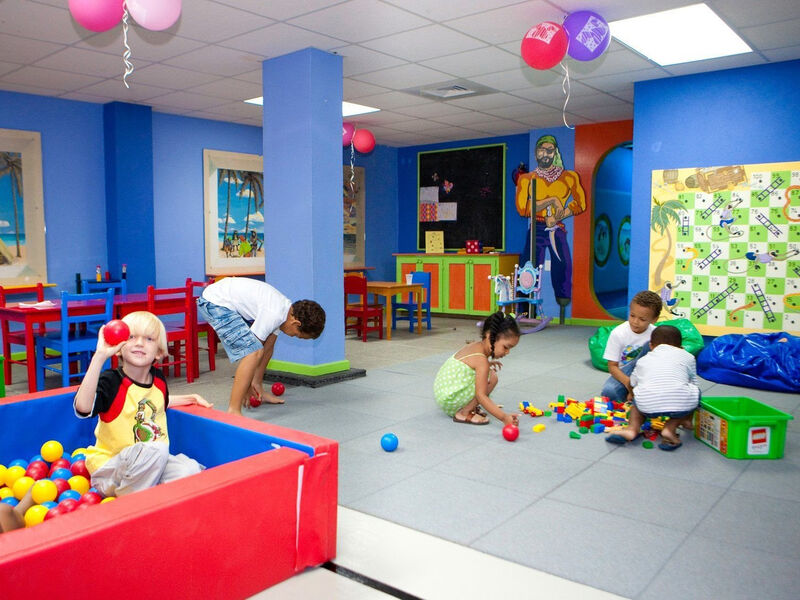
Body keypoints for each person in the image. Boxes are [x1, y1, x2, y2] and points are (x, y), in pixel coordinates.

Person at [73, 311, 212, 498]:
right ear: (119, 348)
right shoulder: (112, 381)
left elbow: (156, 402)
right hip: (110, 469)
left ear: (160, 352)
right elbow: (83, 407)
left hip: (149, 465)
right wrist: (99, 357)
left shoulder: (159, 381)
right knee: (157, 448)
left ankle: (149, 498)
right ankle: (130, 505)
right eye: (131, 337)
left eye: (148, 339)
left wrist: (190, 398)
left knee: (189, 470)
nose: (139, 343)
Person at [197, 277, 326, 415]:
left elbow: (268, 348)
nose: (293, 336)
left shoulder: (285, 312)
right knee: (253, 352)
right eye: (296, 335)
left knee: (259, 349)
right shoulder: (274, 314)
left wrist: (256, 384)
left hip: (225, 301)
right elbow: (252, 352)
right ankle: (233, 410)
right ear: (296, 324)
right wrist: (246, 387)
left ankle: (256, 387)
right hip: (214, 302)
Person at [514, 135, 586, 315]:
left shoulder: (569, 177)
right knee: (528, 266)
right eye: (541, 150)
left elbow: (580, 204)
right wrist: (551, 200)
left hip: (556, 227)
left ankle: (562, 307)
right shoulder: (527, 179)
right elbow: (523, 209)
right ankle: (524, 310)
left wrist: (562, 213)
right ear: (536, 153)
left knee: (563, 265)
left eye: (549, 150)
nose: (545, 154)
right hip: (536, 228)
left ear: (555, 153)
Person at [606, 324, 700, 451]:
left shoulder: (643, 360)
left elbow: (633, 383)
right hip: (679, 404)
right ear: (681, 347)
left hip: (647, 405)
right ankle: (671, 428)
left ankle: (632, 429)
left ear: (651, 346)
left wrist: (632, 396)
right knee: (694, 393)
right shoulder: (688, 357)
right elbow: (693, 382)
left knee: (637, 404)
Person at [434, 311, 520, 426]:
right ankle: (465, 412)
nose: (507, 352)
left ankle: (468, 407)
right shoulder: (481, 361)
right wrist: (504, 417)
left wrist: (487, 365)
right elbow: (481, 395)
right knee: (492, 377)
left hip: (444, 393)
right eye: (505, 347)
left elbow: (466, 365)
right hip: (450, 400)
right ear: (490, 336)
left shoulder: (475, 347)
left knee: (488, 373)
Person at [600, 290, 662, 403]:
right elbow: (612, 367)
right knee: (609, 392)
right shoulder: (618, 333)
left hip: (647, 374)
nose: (635, 322)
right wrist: (630, 385)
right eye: (632, 315)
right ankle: (630, 399)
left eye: (642, 319)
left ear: (654, 319)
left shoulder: (656, 334)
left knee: (651, 345)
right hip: (625, 374)